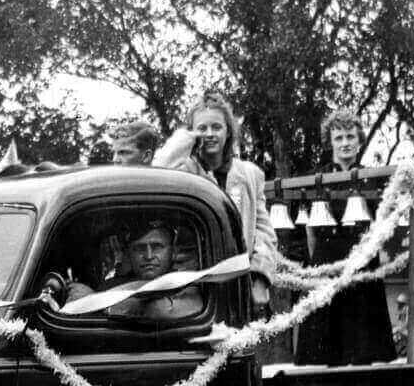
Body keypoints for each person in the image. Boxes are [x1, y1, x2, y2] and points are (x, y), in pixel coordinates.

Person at [152, 92, 276, 308]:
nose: (209, 134)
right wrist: (186, 138)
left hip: (239, 282)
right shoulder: (185, 170)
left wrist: (260, 277)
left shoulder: (250, 174)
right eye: (202, 128)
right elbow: (156, 173)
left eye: (216, 127)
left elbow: (263, 231)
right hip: (193, 283)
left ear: (228, 132)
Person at [293, 109, 396, 366]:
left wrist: (374, 255)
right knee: (328, 347)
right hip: (328, 258)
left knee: (362, 346)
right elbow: (310, 232)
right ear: (330, 142)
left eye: (350, 136)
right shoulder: (319, 180)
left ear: (360, 140)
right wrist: (319, 263)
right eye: (339, 138)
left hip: (361, 259)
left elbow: (382, 224)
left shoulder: (373, 180)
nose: (345, 143)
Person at [65, 220, 202, 320]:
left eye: (157, 247)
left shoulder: (185, 285)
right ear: (129, 254)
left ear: (173, 252)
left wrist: (95, 302)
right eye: (139, 248)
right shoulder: (109, 287)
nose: (148, 256)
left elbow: (160, 311)